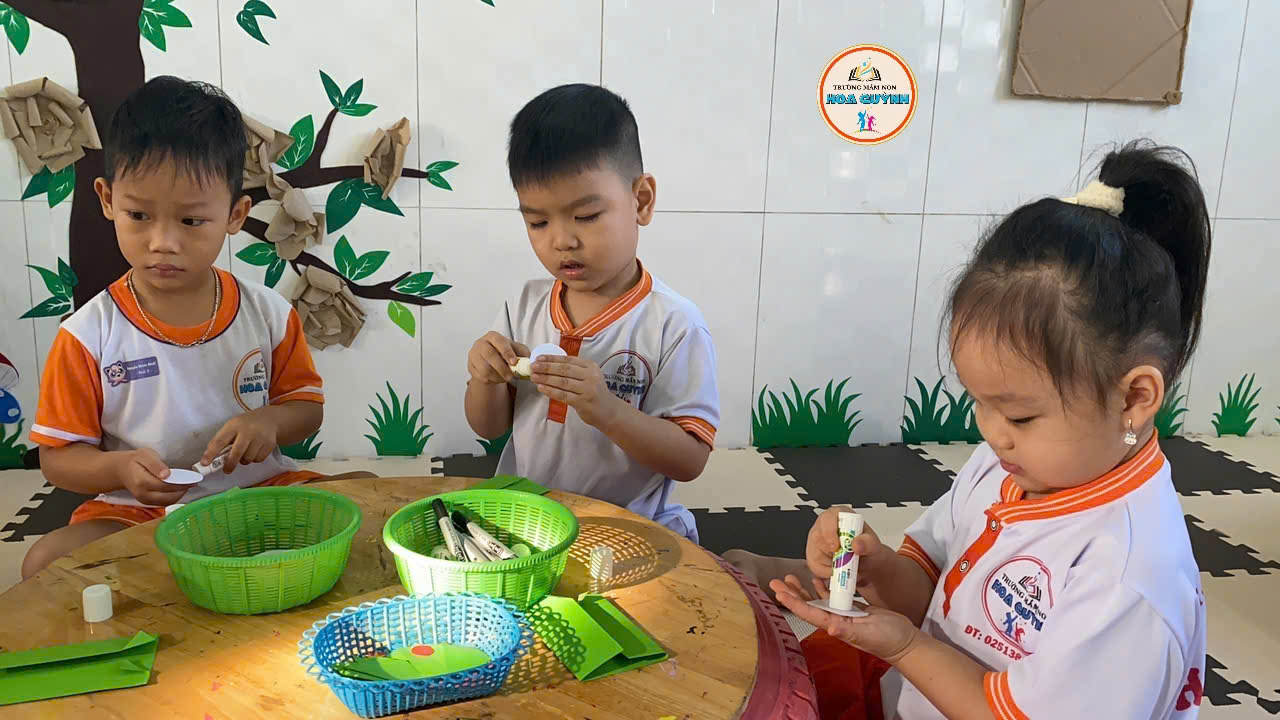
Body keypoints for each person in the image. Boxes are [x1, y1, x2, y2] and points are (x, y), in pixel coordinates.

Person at [748, 141, 1210, 719]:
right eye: (978, 402)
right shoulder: (1011, 463)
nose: (991, 433)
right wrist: (875, 569)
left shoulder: (1128, 578)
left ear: (1134, 399)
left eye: (1018, 415)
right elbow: (930, 589)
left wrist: (904, 647)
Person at [21, 77, 368, 580]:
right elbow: (58, 460)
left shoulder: (268, 313)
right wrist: (119, 469)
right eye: (139, 215)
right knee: (45, 562)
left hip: (259, 496)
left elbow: (305, 409)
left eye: (190, 222)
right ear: (107, 199)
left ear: (235, 214)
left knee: (367, 494)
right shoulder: (87, 334)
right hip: (139, 515)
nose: (162, 242)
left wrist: (269, 423)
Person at [464, 84, 719, 542]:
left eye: (585, 217)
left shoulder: (674, 324)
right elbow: (488, 427)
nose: (562, 240)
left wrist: (606, 409)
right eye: (538, 222)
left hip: (631, 531)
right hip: (528, 525)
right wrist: (485, 379)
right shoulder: (524, 305)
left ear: (641, 201)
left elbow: (689, 459)